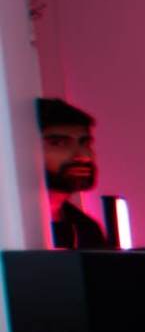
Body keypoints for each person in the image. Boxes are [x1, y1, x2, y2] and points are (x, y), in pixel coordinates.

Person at [35, 95, 109, 249]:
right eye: (59, 143)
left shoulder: (86, 229)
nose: (83, 156)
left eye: (85, 143)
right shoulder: (10, 226)